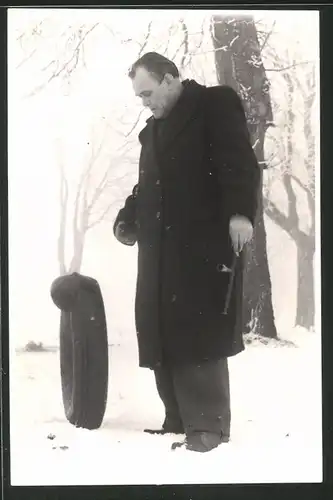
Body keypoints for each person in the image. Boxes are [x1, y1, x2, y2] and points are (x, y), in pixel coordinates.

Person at [113, 52, 260, 453]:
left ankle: (208, 426)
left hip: (203, 245)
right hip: (161, 251)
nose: (145, 103)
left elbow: (238, 162)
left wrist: (240, 213)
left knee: (199, 331)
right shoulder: (153, 132)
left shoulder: (213, 104)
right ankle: (177, 418)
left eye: (148, 93)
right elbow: (147, 188)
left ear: (171, 79)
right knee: (163, 329)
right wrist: (127, 219)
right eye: (140, 97)